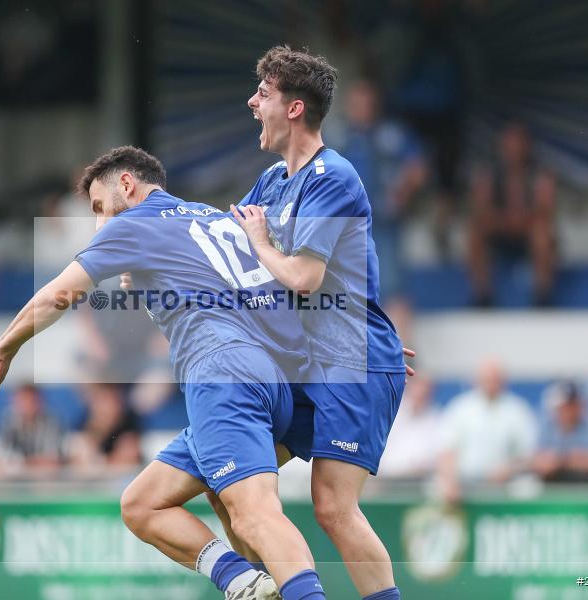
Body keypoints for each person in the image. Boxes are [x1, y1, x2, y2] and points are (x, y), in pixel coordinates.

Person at [0, 147, 328, 600]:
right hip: (276, 376)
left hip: (222, 375)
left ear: (127, 185)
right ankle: (243, 580)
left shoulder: (134, 223)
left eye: (99, 207)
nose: (99, 224)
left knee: (255, 514)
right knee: (142, 504)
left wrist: (4, 347)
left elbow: (59, 295)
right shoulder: (212, 219)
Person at [218, 46, 407, 600]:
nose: (252, 102)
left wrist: (260, 243)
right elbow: (221, 243)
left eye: (264, 94)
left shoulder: (333, 177)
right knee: (229, 480)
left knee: (332, 506)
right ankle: (274, 589)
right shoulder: (272, 180)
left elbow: (303, 277)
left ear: (295, 108)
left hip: (349, 365)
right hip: (313, 362)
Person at [333, 79, 426, 339]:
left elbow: (418, 168)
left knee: (393, 287)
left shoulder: (392, 133)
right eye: (357, 103)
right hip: (344, 226)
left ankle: (400, 353)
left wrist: (404, 191)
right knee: (337, 289)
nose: (362, 108)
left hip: (382, 223)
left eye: (367, 103)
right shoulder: (336, 136)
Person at [467, 121, 556, 306]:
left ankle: (542, 295)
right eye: (509, 144)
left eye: (518, 144)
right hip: (500, 228)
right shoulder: (489, 172)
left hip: (529, 229)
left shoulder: (541, 172)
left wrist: (522, 219)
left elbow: (546, 208)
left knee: (542, 231)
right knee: (476, 229)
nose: (514, 150)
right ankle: (483, 295)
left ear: (527, 146)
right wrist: (505, 219)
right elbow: (481, 206)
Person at [437, 359, 537, 500]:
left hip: (506, 485)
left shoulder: (517, 410)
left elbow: (528, 455)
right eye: (486, 379)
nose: (491, 384)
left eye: (495, 379)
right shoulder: (460, 408)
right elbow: (446, 450)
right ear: (476, 380)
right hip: (464, 484)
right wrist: (450, 481)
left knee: (529, 488)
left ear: (503, 381)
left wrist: (509, 469)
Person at [532, 381, 588, 482]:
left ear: (577, 405)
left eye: (566, 406)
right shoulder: (548, 425)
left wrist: (561, 460)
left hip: (587, 486)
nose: (562, 411)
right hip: (553, 486)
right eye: (560, 407)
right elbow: (537, 461)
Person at [378, 373, 440, 480]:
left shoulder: (436, 418)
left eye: (426, 387)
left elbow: (437, 455)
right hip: (385, 478)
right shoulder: (390, 411)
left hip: (418, 480)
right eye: (417, 386)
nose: (421, 391)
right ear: (409, 387)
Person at [68, 382, 142, 472]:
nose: (107, 408)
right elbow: (79, 464)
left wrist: (98, 462)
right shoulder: (81, 427)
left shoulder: (129, 427)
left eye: (112, 401)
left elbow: (125, 464)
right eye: (102, 402)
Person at [0, 383, 66, 471]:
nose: (27, 405)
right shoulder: (9, 419)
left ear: (40, 401)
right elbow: (3, 457)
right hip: (17, 473)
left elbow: (52, 460)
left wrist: (22, 462)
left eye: (32, 400)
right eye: (23, 400)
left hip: (44, 474)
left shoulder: (51, 420)